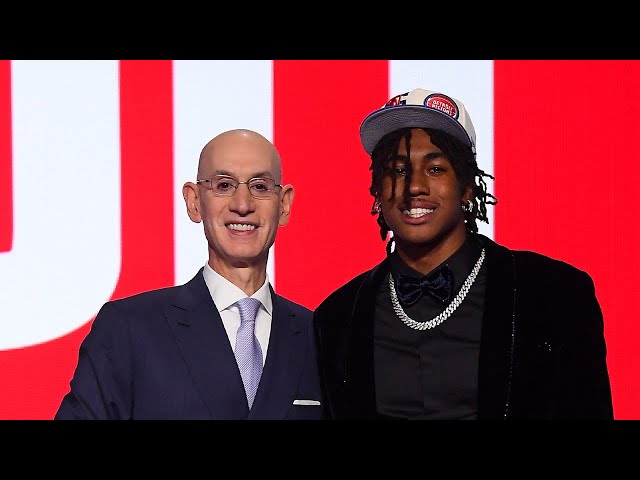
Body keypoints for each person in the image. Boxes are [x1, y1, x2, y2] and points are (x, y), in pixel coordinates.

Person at [313, 88, 614, 420]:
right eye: (398, 170)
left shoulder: (556, 295)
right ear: (377, 191)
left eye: (435, 168)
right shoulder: (336, 318)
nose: (415, 186)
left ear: (467, 187)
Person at [56, 129, 322, 420]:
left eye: (260, 186)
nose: (242, 205)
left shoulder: (321, 336)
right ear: (194, 202)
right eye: (224, 185)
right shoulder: (128, 328)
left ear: (284, 204)